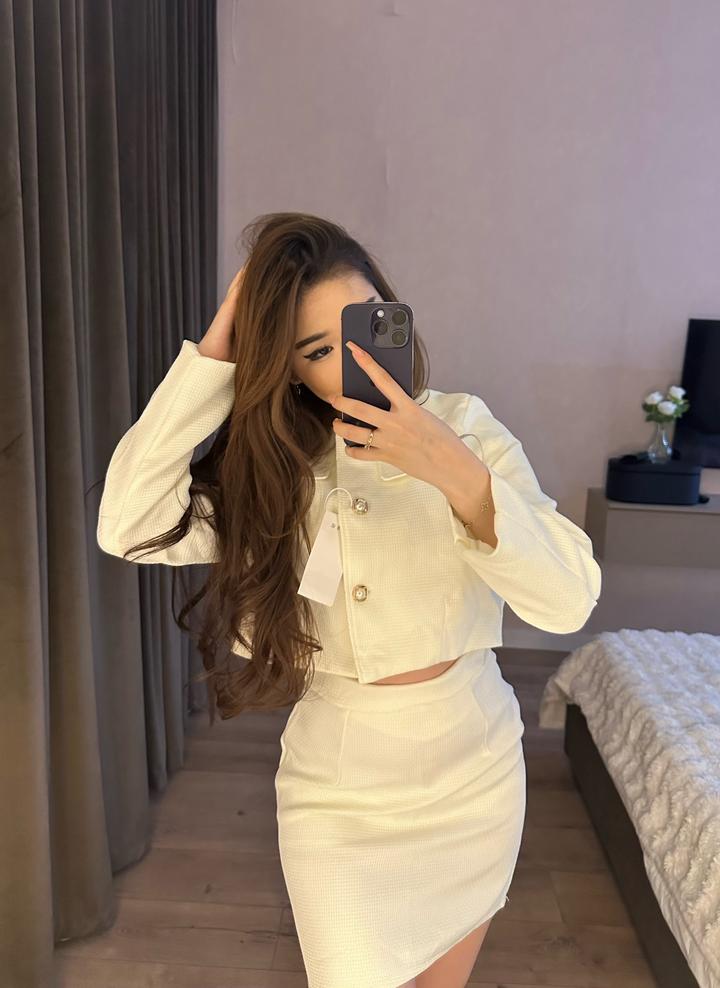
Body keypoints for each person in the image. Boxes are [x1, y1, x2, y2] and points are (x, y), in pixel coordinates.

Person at [97, 212, 601, 988]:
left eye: (368, 325)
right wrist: (216, 352)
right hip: (339, 790)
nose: (356, 359)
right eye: (318, 349)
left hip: (473, 772)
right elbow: (127, 524)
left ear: (393, 313)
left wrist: (452, 469)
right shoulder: (274, 467)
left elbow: (569, 602)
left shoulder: (466, 428)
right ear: (288, 368)